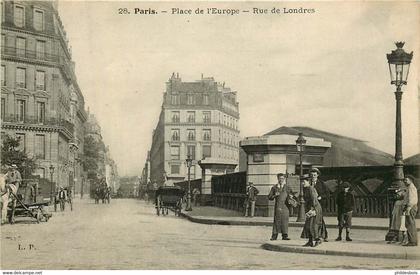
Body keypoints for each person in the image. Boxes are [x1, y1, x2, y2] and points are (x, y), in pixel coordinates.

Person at [268, 173, 293, 241]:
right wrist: (274, 195)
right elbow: (269, 197)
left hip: (285, 207)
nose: (281, 180)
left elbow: (292, 195)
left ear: (284, 179)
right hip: (278, 206)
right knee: (277, 221)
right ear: (277, 179)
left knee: (285, 221)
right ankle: (274, 235)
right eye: (280, 178)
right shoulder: (274, 187)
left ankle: (285, 235)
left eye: (282, 178)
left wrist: (291, 196)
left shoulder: (287, 187)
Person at [301, 176, 324, 247]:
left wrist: (313, 210)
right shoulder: (306, 189)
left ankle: (317, 240)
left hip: (315, 208)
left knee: (313, 225)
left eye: (304, 182)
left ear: (308, 182)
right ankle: (310, 241)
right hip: (310, 208)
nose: (302, 183)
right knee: (308, 225)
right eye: (301, 182)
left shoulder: (311, 188)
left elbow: (314, 199)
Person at [309, 168, 329, 242]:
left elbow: (327, 194)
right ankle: (313, 237)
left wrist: (321, 197)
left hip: (320, 204)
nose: (313, 176)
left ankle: (323, 235)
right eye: (312, 175)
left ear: (317, 175)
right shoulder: (309, 183)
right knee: (311, 221)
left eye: (314, 175)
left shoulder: (322, 183)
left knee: (319, 220)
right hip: (311, 204)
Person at [402, 175, 418, 246]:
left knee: (410, 224)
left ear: (410, 180)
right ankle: (413, 240)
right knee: (410, 224)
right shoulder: (410, 187)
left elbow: (412, 199)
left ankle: (412, 241)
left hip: (411, 207)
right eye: (404, 180)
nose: (405, 181)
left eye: (406, 180)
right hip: (411, 207)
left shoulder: (411, 188)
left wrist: (408, 208)